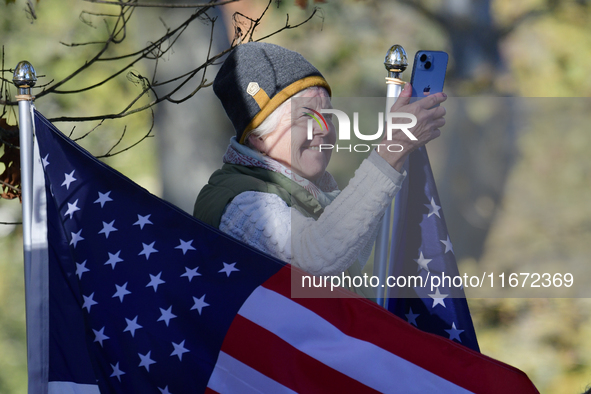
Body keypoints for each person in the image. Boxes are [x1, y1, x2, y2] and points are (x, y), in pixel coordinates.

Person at [193, 42, 446, 295]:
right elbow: (314, 260)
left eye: (329, 116)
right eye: (307, 116)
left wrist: (400, 150)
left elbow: (349, 248)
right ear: (259, 136)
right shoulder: (240, 202)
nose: (325, 128)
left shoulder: (310, 192)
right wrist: (392, 150)